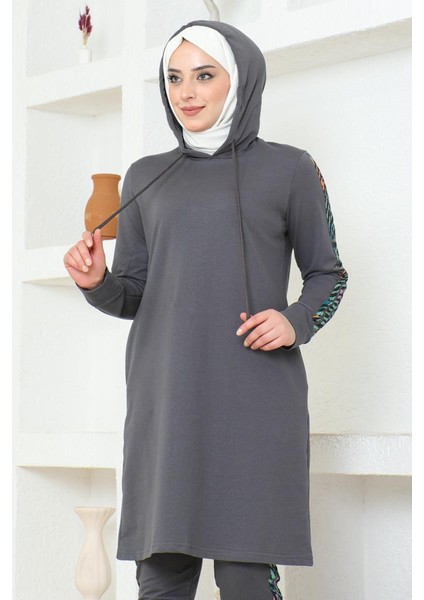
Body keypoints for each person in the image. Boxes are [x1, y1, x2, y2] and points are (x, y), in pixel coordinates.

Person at [64, 19, 348, 600]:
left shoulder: (291, 169)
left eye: (203, 75)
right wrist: (98, 284)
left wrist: (293, 321)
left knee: (247, 580)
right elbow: (134, 293)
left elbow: (330, 276)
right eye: (174, 78)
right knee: (161, 577)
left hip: (255, 404)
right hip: (167, 404)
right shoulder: (146, 177)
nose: (186, 92)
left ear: (239, 80)